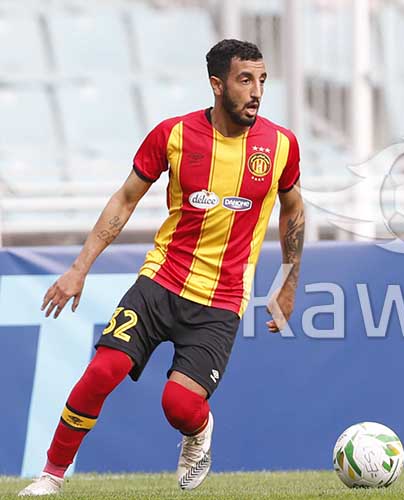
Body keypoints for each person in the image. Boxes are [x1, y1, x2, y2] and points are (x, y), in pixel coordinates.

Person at [19, 39, 305, 496]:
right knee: (102, 372)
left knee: (178, 405)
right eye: (245, 80)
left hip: (221, 301)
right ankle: (51, 475)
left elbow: (292, 209)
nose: (256, 92)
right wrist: (79, 268)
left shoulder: (281, 145)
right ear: (217, 85)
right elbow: (125, 199)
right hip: (161, 281)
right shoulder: (173, 136)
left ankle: (198, 430)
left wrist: (288, 282)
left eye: (262, 80)